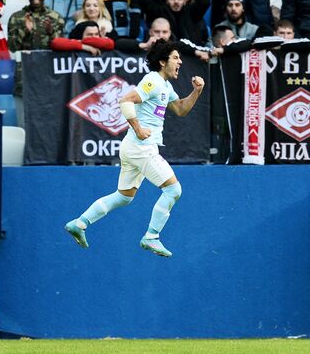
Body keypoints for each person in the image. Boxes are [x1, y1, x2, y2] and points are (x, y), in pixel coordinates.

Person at [64, 39, 205, 257]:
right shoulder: (153, 81)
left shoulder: (165, 85)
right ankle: (152, 236)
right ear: (162, 61)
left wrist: (196, 91)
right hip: (142, 147)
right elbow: (125, 100)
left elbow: (180, 109)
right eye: (176, 58)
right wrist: (138, 128)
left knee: (123, 197)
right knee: (173, 190)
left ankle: (80, 223)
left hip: (134, 147)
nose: (180, 62)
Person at [7, 0, 64, 128]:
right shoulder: (17, 17)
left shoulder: (55, 17)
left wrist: (52, 34)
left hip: (48, 73)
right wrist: (25, 31)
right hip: (24, 73)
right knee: (24, 119)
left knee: (47, 118)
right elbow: (13, 47)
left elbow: (60, 47)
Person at [140, 0, 210, 47]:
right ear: (166, 0)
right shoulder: (159, 12)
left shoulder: (192, 13)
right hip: (165, 53)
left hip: (190, 54)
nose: (176, 1)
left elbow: (204, 2)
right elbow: (146, 1)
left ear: (184, 1)